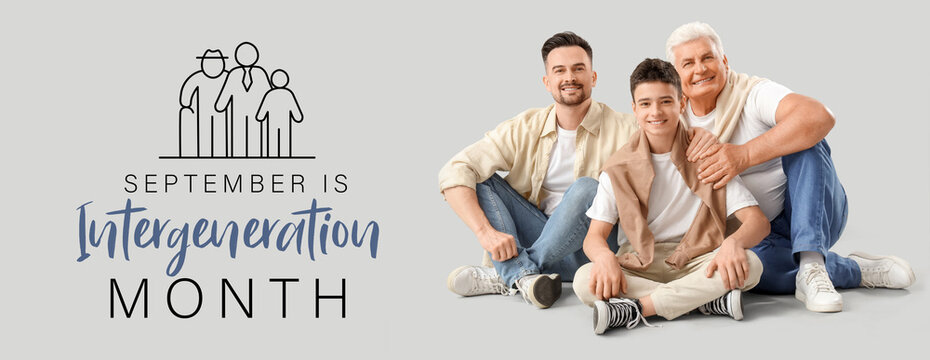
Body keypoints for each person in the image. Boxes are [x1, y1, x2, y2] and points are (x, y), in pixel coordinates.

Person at [666, 22, 915, 312]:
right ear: (675, 75)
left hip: (812, 212)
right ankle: (852, 270)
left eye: (707, 58)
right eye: (688, 63)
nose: (700, 69)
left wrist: (743, 156)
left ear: (724, 61)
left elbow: (818, 115)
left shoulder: (752, 94)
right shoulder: (673, 119)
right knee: (749, 271)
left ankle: (812, 261)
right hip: (753, 235)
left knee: (806, 138)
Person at [439, 32, 638, 308]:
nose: (569, 77)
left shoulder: (627, 128)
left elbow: (672, 138)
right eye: (560, 71)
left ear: (593, 77)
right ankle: (526, 276)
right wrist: (485, 232)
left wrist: (700, 138)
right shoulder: (526, 126)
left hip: (592, 252)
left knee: (587, 189)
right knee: (480, 179)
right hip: (539, 235)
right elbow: (455, 169)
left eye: (578, 69)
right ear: (547, 82)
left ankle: (512, 273)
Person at [573, 58, 768, 334]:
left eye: (665, 101)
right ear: (634, 109)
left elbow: (758, 222)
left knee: (751, 264)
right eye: (645, 104)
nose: (656, 112)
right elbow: (594, 236)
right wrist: (604, 257)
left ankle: (637, 308)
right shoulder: (617, 168)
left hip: (697, 257)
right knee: (584, 279)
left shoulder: (707, 156)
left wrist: (733, 243)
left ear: (682, 104)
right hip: (639, 262)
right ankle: (705, 301)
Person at [216, 42, 271, 157]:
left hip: (257, 114)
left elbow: (268, 95)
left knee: (258, 141)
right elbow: (226, 93)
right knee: (237, 142)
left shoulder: (260, 73)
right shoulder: (234, 74)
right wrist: (220, 105)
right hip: (237, 115)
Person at [179, 49, 229, 157]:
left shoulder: (227, 77)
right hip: (203, 112)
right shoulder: (198, 77)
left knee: (222, 133)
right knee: (204, 133)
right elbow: (188, 90)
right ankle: (204, 153)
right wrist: (186, 103)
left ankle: (221, 154)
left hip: (223, 113)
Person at [257, 69, 304, 157]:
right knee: (285, 140)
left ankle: (272, 155)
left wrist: (260, 117)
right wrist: (298, 117)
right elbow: (296, 113)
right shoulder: (288, 94)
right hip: (285, 122)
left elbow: (261, 113)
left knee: (271, 140)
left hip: (272, 122)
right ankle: (285, 155)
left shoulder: (269, 94)